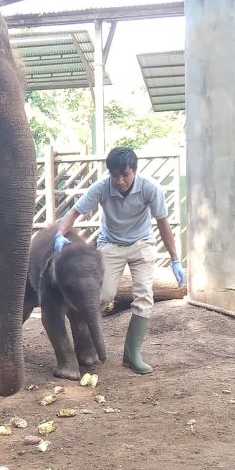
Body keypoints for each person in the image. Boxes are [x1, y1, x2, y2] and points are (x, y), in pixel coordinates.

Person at [54, 146, 184, 375]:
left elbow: (163, 223)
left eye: (125, 175)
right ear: (110, 174)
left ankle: (132, 353)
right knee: (102, 296)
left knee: (144, 296)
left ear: (134, 171)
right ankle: (85, 339)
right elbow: (74, 212)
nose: (120, 181)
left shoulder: (150, 188)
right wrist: (59, 234)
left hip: (142, 244)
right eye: (115, 176)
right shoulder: (102, 188)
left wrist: (175, 260)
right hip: (111, 245)